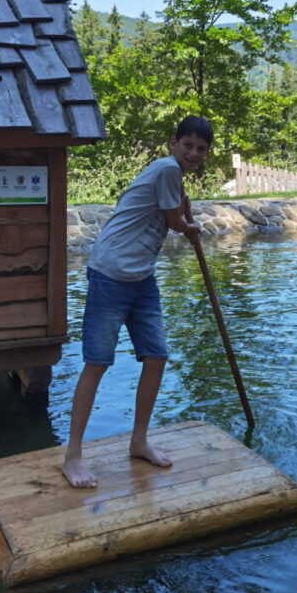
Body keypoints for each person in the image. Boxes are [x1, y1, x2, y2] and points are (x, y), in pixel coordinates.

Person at [62, 115, 213, 488]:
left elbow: (171, 214)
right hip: (111, 274)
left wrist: (182, 214)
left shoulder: (171, 177)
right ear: (173, 143)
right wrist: (190, 226)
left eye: (201, 148)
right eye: (188, 145)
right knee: (97, 363)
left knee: (157, 355)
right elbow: (175, 223)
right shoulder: (166, 170)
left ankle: (139, 440)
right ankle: (73, 456)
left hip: (141, 277)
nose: (193, 153)